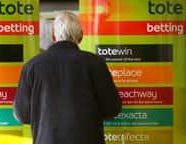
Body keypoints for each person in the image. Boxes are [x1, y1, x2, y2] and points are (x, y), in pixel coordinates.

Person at [13, 11, 122, 144]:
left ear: (53, 35)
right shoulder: (95, 64)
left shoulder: (32, 66)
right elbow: (112, 109)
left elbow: (22, 115)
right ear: (81, 36)